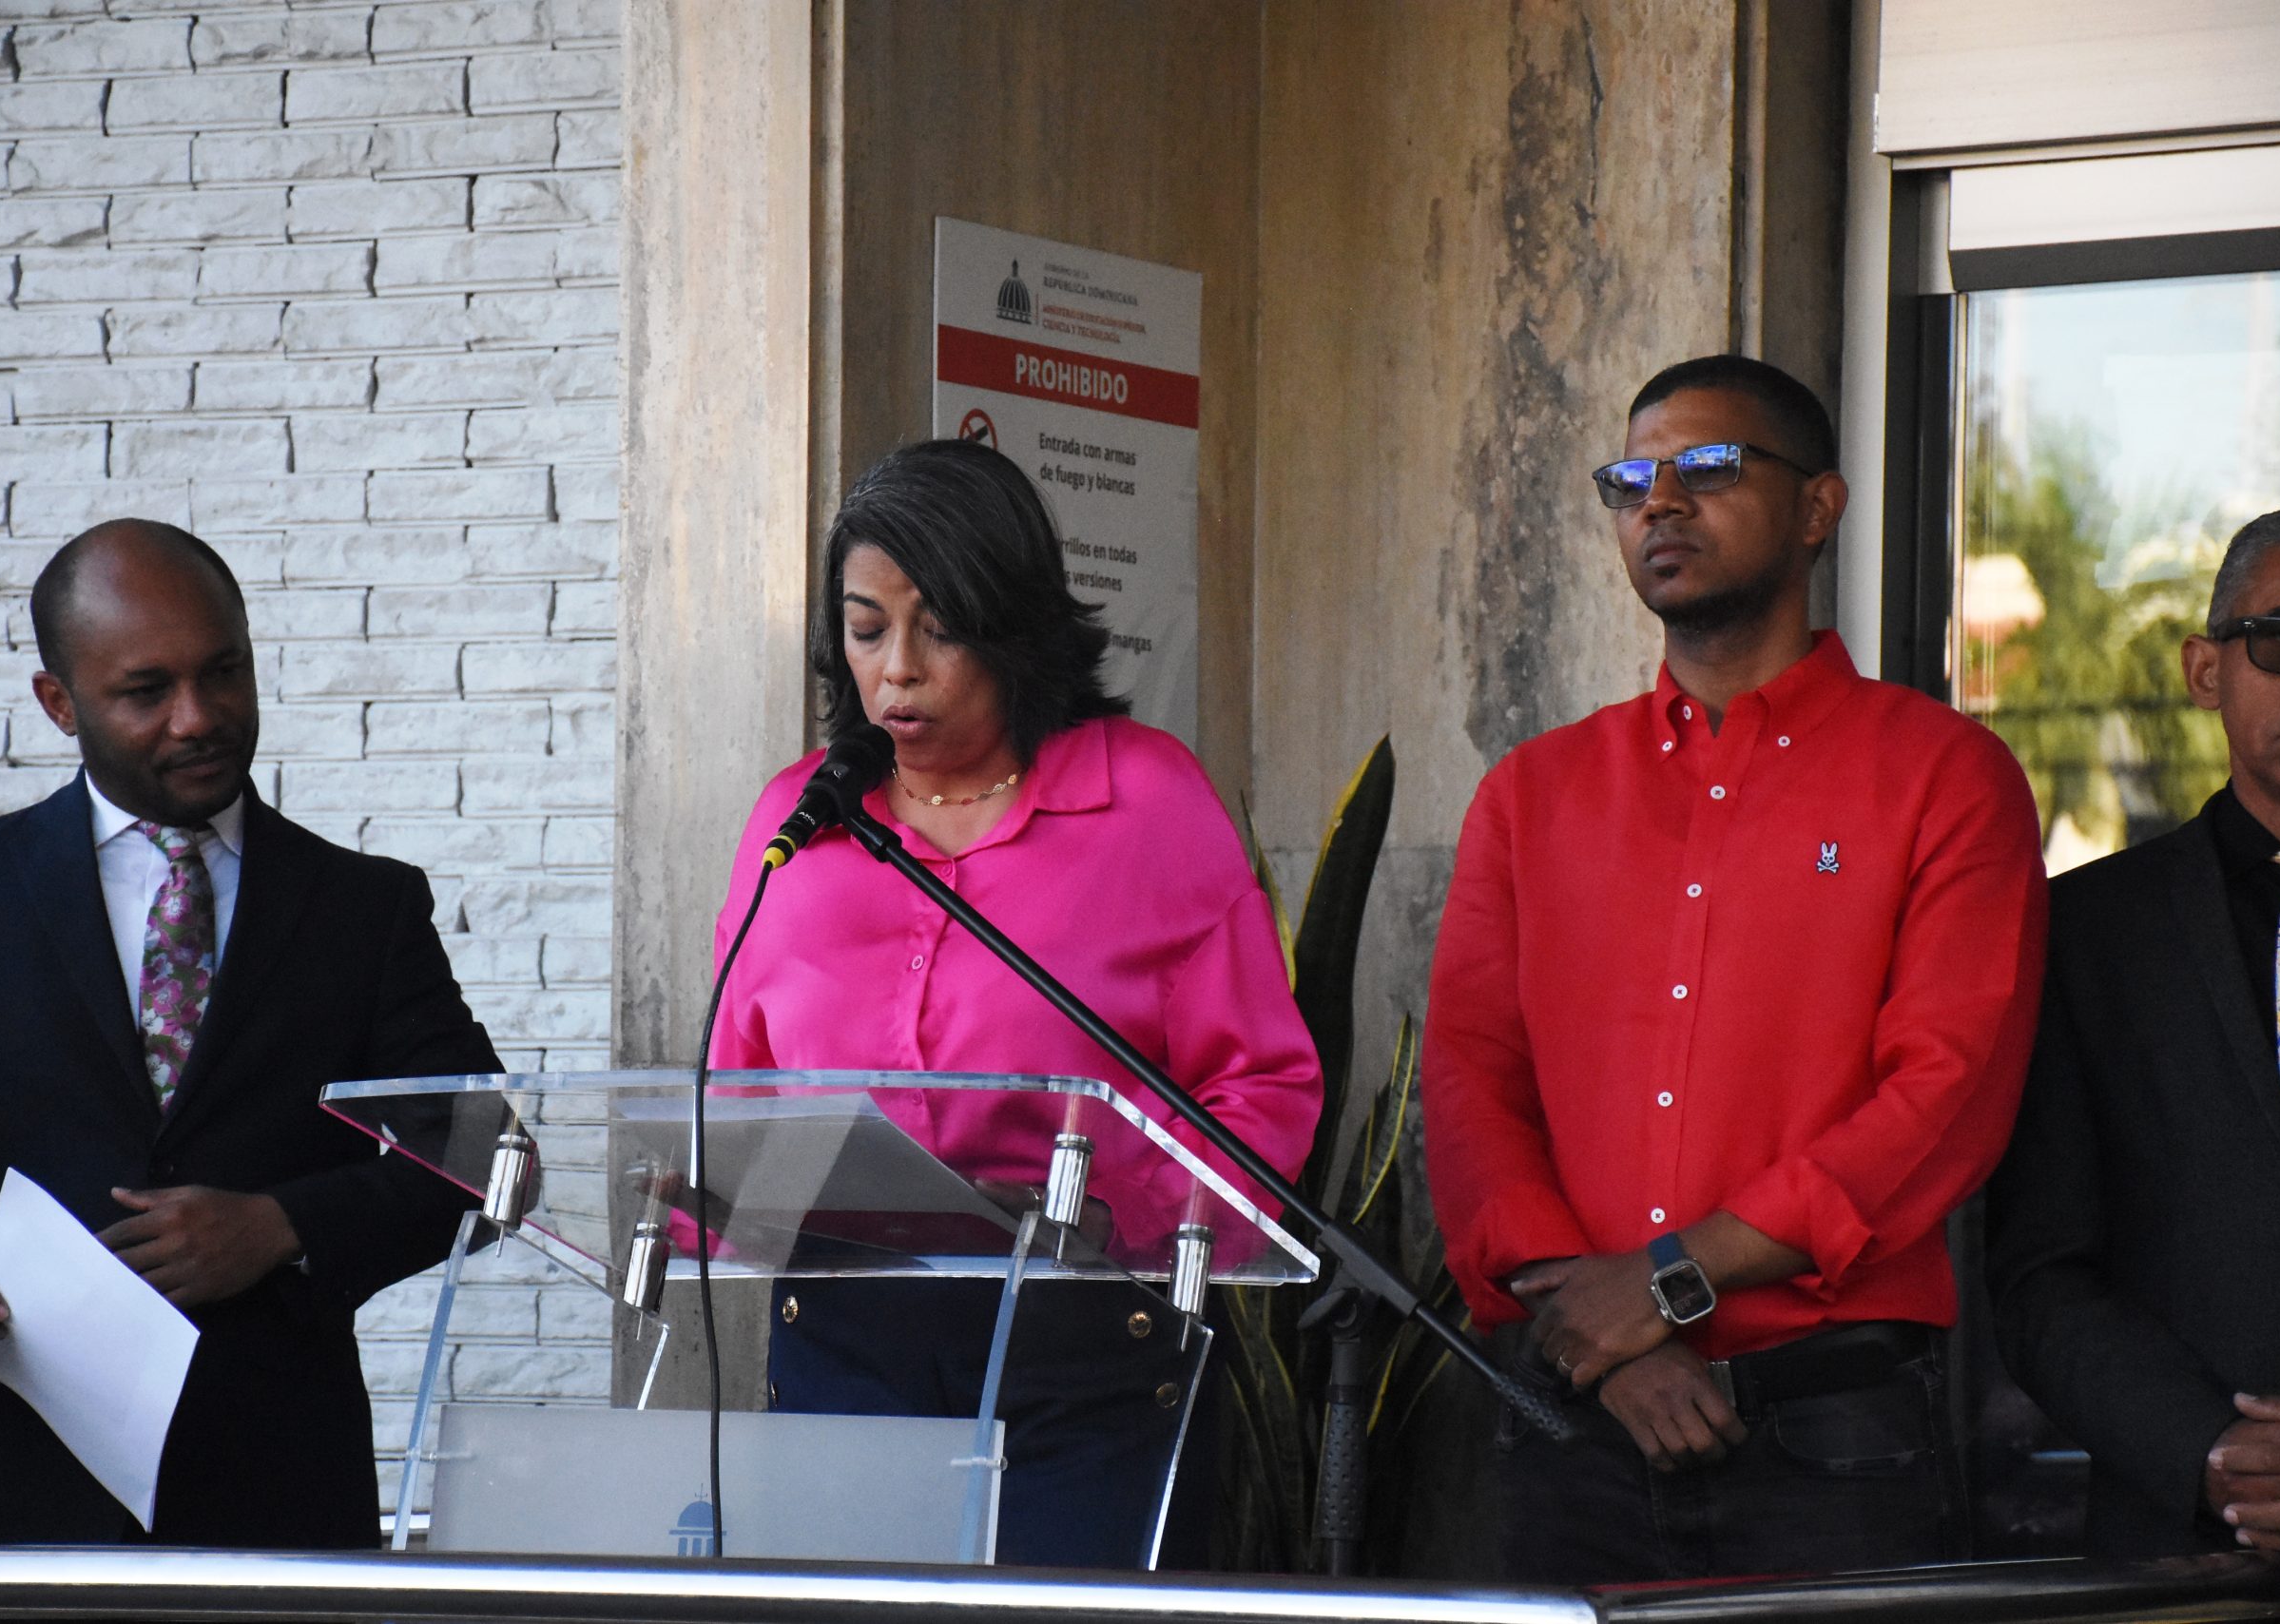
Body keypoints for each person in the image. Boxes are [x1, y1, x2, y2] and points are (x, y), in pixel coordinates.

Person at [1420, 355, 2047, 1583]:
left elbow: (1947, 1094)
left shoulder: (1942, 775)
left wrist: (1672, 1280)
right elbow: (1470, 1078)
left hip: (1834, 1421)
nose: (1659, 503)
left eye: (1705, 467)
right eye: (1628, 480)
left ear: (1819, 508)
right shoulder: (1533, 796)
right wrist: (1609, 1336)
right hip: (1576, 1409)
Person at [706, 438, 1321, 1567]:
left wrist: (1118, 1206)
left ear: (1013, 623)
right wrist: (717, 1178)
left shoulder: (1144, 800)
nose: (895, 669)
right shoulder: (796, 823)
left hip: (1083, 1356)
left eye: (938, 628)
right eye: (865, 626)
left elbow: (1262, 1083)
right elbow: (738, 1091)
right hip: (847, 1351)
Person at [0, 519, 496, 1549]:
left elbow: (480, 1152)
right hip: (15, 1507)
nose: (198, 718)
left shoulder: (363, 909)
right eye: (146, 691)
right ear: (58, 703)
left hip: (281, 1505)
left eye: (224, 672)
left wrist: (282, 1227)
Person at [1988, 506, 2280, 1557]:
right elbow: (2036, 1272)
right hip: (2176, 1551)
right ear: (2205, 669)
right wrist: (2206, 1450)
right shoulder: (2083, 934)